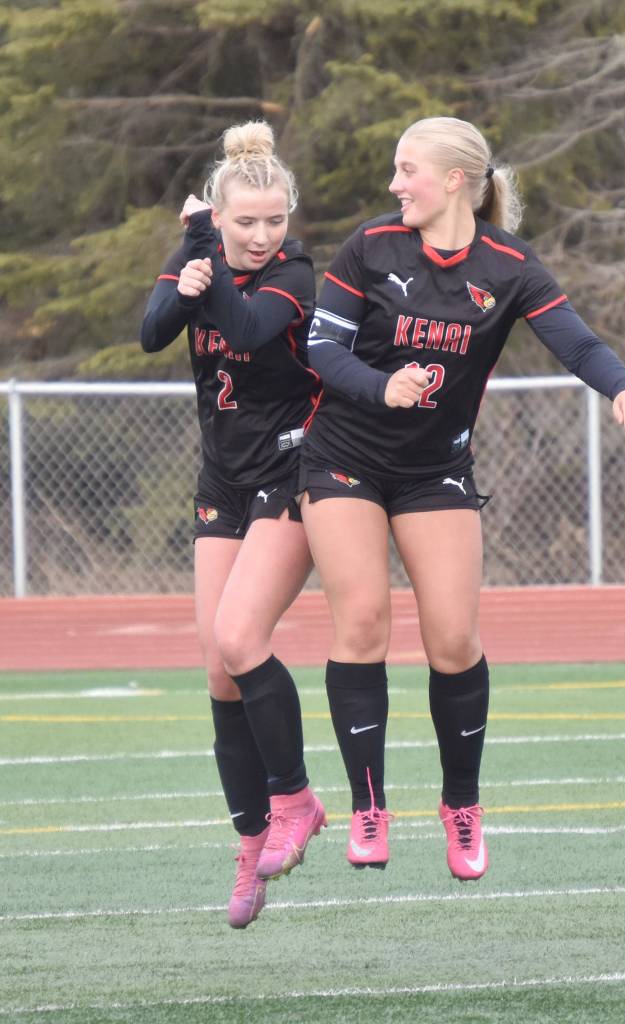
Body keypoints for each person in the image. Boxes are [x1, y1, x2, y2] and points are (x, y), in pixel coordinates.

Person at [300, 116, 625, 882]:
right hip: (343, 460)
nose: (396, 184)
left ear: (456, 180)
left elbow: (576, 341)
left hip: (435, 471)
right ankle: (369, 806)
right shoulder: (369, 248)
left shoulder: (509, 265)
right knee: (362, 619)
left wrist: (623, 386)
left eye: (409, 170)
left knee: (453, 641)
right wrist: (381, 385)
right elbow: (322, 348)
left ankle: (461, 805)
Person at [140, 120, 326, 928]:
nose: (260, 235)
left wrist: (198, 252)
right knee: (219, 667)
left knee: (242, 636)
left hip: (291, 472)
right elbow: (152, 332)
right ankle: (250, 846)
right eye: (243, 221)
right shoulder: (201, 250)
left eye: (273, 219)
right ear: (219, 215)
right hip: (222, 476)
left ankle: (298, 799)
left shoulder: (296, 273)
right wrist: (186, 258)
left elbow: (247, 328)